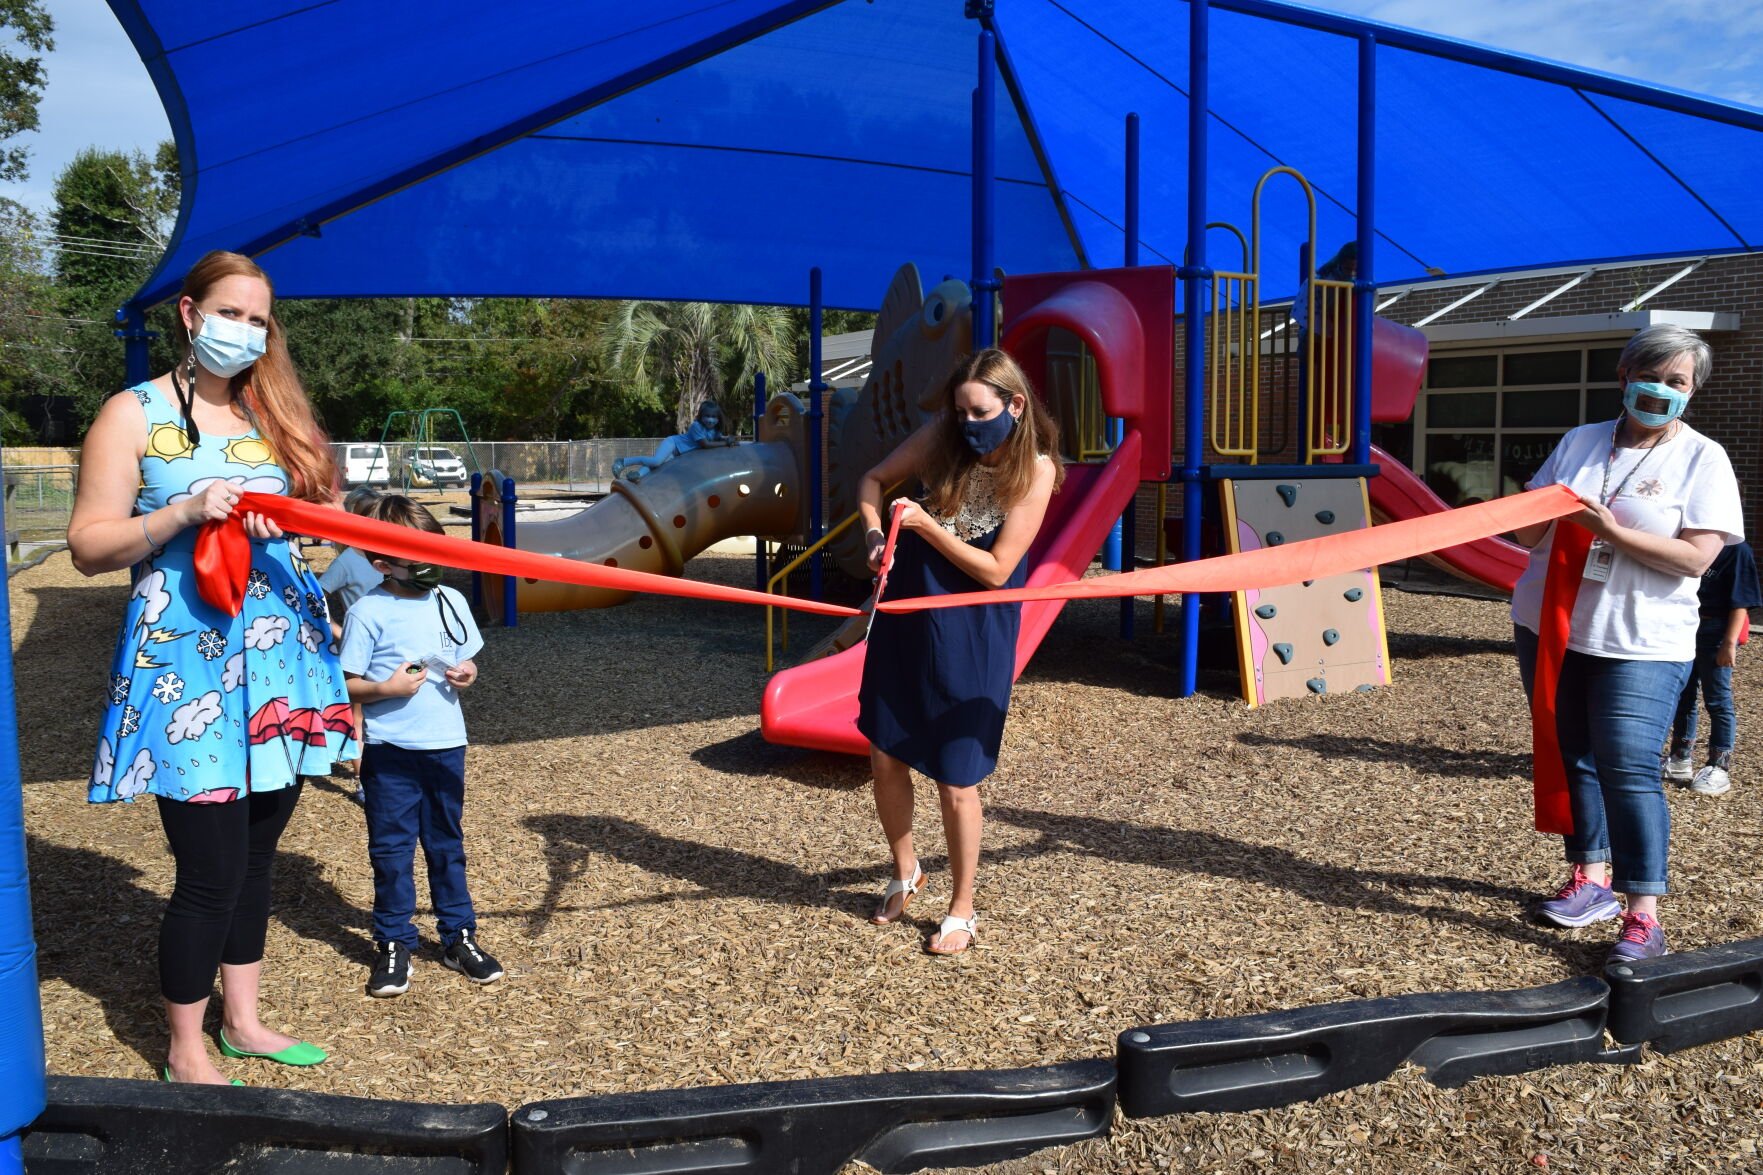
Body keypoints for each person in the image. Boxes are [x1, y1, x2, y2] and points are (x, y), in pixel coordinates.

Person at [68, 250, 353, 1084]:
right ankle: (184, 1046)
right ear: (190, 315)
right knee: (211, 869)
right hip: (186, 671)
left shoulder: (278, 416)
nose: (246, 332)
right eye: (232, 314)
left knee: (258, 859)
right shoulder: (134, 413)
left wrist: (301, 534)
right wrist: (186, 512)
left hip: (280, 669)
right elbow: (89, 545)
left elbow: (331, 530)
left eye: (260, 320)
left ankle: (245, 1020)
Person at [1509, 324, 1743, 964]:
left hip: (1641, 638)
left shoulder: (1702, 458)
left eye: (1677, 382)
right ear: (1622, 377)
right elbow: (1529, 535)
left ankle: (1644, 913)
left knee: (1630, 765)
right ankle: (1591, 877)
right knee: (1573, 753)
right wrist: (1511, 512)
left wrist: (1607, 530)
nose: (1660, 390)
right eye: (1650, 376)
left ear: (1692, 392)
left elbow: (1696, 559)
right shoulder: (1580, 441)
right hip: (1549, 623)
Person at [854, 348, 1062, 956]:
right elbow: (871, 481)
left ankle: (963, 908)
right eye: (959, 412)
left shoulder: (1037, 469)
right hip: (906, 614)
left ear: (1014, 406)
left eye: (980, 412)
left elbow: (998, 571)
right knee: (886, 751)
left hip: (972, 627)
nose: (967, 424)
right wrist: (875, 534)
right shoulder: (943, 436)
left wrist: (924, 527)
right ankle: (906, 870)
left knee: (957, 775)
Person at [338, 494, 500, 997]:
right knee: (390, 850)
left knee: (446, 844)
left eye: (434, 552)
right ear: (382, 563)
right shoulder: (369, 610)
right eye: (417, 557)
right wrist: (384, 689)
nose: (430, 564)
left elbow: (468, 662)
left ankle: (458, 936)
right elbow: (345, 685)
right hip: (389, 750)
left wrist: (467, 673)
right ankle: (393, 941)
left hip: (446, 744)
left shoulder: (450, 600)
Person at [1664, 539, 1761, 796]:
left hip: (1716, 630)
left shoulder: (1736, 550)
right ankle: (1680, 757)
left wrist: (1729, 642)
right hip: (1686, 625)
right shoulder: (1690, 541)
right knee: (1683, 696)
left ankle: (1719, 766)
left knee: (1717, 700)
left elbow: (1741, 600)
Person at [319, 485, 385, 791]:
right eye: (373, 518)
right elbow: (313, 597)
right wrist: (338, 630)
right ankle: (362, 781)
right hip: (361, 649)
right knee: (358, 714)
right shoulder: (346, 562)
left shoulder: (388, 555)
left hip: (390, 645)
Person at [612, 399, 738, 481]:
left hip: (677, 453)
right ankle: (622, 462)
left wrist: (730, 439)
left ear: (718, 419)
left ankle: (637, 475)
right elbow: (705, 444)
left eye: (714, 417)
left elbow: (719, 438)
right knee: (656, 461)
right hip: (673, 444)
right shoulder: (696, 426)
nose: (710, 420)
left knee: (657, 466)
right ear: (701, 416)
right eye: (707, 416)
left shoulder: (714, 431)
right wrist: (726, 443)